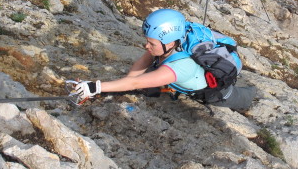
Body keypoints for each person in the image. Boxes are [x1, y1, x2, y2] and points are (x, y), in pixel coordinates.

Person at [72, 9, 256, 110]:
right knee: (147, 82)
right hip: (177, 78)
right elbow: (138, 69)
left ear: (169, 42)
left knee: (246, 99)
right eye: (147, 41)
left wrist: (95, 87)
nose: (146, 46)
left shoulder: (180, 66)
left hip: (217, 95)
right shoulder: (165, 45)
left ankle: (254, 95)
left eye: (150, 43)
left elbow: (136, 82)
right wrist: (119, 84)